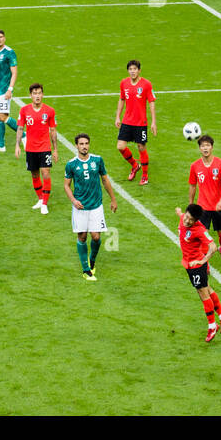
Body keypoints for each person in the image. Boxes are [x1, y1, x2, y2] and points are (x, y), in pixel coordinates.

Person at [64, 134, 118, 280]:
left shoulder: (97, 160)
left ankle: (92, 261)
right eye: (81, 144)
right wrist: (73, 200)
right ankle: (86, 270)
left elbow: (105, 180)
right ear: (76, 146)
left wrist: (113, 199)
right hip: (80, 207)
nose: (84, 146)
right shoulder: (71, 164)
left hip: (96, 206)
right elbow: (66, 185)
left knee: (95, 237)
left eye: (86, 143)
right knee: (82, 237)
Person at [175, 203, 221, 341]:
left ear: (196, 221)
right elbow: (181, 215)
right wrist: (179, 212)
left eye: (190, 220)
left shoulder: (199, 229)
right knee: (208, 289)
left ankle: (212, 326)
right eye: (186, 217)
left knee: (203, 294)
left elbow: (213, 247)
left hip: (196, 266)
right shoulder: (183, 218)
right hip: (189, 265)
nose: (187, 221)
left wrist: (202, 261)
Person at [187, 134, 221, 265]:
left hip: (219, 207)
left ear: (212, 147)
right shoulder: (195, 166)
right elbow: (192, 185)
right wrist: (191, 205)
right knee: (203, 237)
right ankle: (204, 264)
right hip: (203, 208)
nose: (205, 148)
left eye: (207, 145)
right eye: (202, 146)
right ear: (199, 148)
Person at [16, 82, 59, 214]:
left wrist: (55, 149)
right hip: (30, 148)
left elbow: (53, 130)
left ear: (43, 94)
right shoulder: (24, 110)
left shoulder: (50, 111)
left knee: (45, 172)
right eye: (34, 93)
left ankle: (45, 203)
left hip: (45, 147)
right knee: (34, 174)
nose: (37, 96)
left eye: (39, 93)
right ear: (30, 96)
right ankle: (40, 199)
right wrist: (17, 145)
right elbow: (20, 128)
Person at [116, 58, 157, 186]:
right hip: (127, 121)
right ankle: (135, 165)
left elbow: (151, 102)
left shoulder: (146, 84)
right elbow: (122, 99)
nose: (132, 71)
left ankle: (145, 176)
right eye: (130, 69)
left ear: (139, 71)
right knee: (120, 146)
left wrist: (153, 122)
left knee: (141, 147)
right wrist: (117, 116)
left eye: (135, 69)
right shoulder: (124, 83)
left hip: (141, 123)